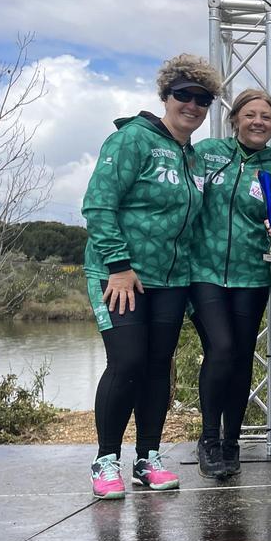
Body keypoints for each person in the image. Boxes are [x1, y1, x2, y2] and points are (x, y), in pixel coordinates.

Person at [81, 54, 222, 498]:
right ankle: (105, 460)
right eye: (184, 95)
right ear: (166, 96)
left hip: (172, 280)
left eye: (203, 99)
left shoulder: (194, 158)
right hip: (121, 276)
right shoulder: (132, 141)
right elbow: (98, 205)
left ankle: (148, 457)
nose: (193, 105)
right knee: (127, 363)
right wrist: (119, 266)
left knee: (158, 368)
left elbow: (195, 225)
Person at [188, 88, 271, 479]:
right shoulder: (208, 153)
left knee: (241, 356)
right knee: (222, 349)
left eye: (266, 117)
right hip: (205, 272)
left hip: (252, 274)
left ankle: (231, 440)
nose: (258, 122)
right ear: (235, 119)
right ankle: (208, 438)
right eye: (250, 115)